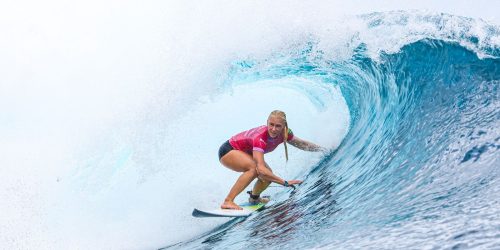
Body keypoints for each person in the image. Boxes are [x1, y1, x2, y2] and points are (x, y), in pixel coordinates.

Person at [218, 110, 326, 210]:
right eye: (271, 124)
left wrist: (323, 149)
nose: (274, 129)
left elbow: (302, 144)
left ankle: (254, 198)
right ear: (267, 123)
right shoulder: (259, 138)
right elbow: (260, 169)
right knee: (255, 169)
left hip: (246, 152)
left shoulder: (286, 133)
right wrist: (285, 182)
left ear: (284, 126)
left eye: (278, 126)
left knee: (268, 176)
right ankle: (228, 201)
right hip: (229, 150)